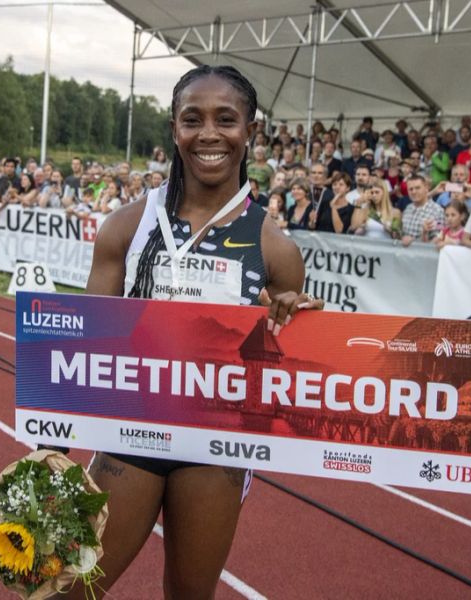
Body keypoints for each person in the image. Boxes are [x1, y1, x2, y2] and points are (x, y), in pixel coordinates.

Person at [84, 65, 323, 598]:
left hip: (216, 446)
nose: (209, 134)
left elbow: (273, 373)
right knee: (73, 588)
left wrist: (290, 323)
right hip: (131, 433)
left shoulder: (276, 249)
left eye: (226, 120)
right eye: (193, 119)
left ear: (251, 133)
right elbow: (89, 339)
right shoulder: (127, 225)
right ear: (174, 129)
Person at [401, 175, 444, 246]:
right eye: (410, 189)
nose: (414, 192)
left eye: (417, 188)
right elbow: (403, 234)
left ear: (426, 188)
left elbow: (438, 238)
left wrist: (414, 242)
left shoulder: (437, 211)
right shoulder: (407, 208)